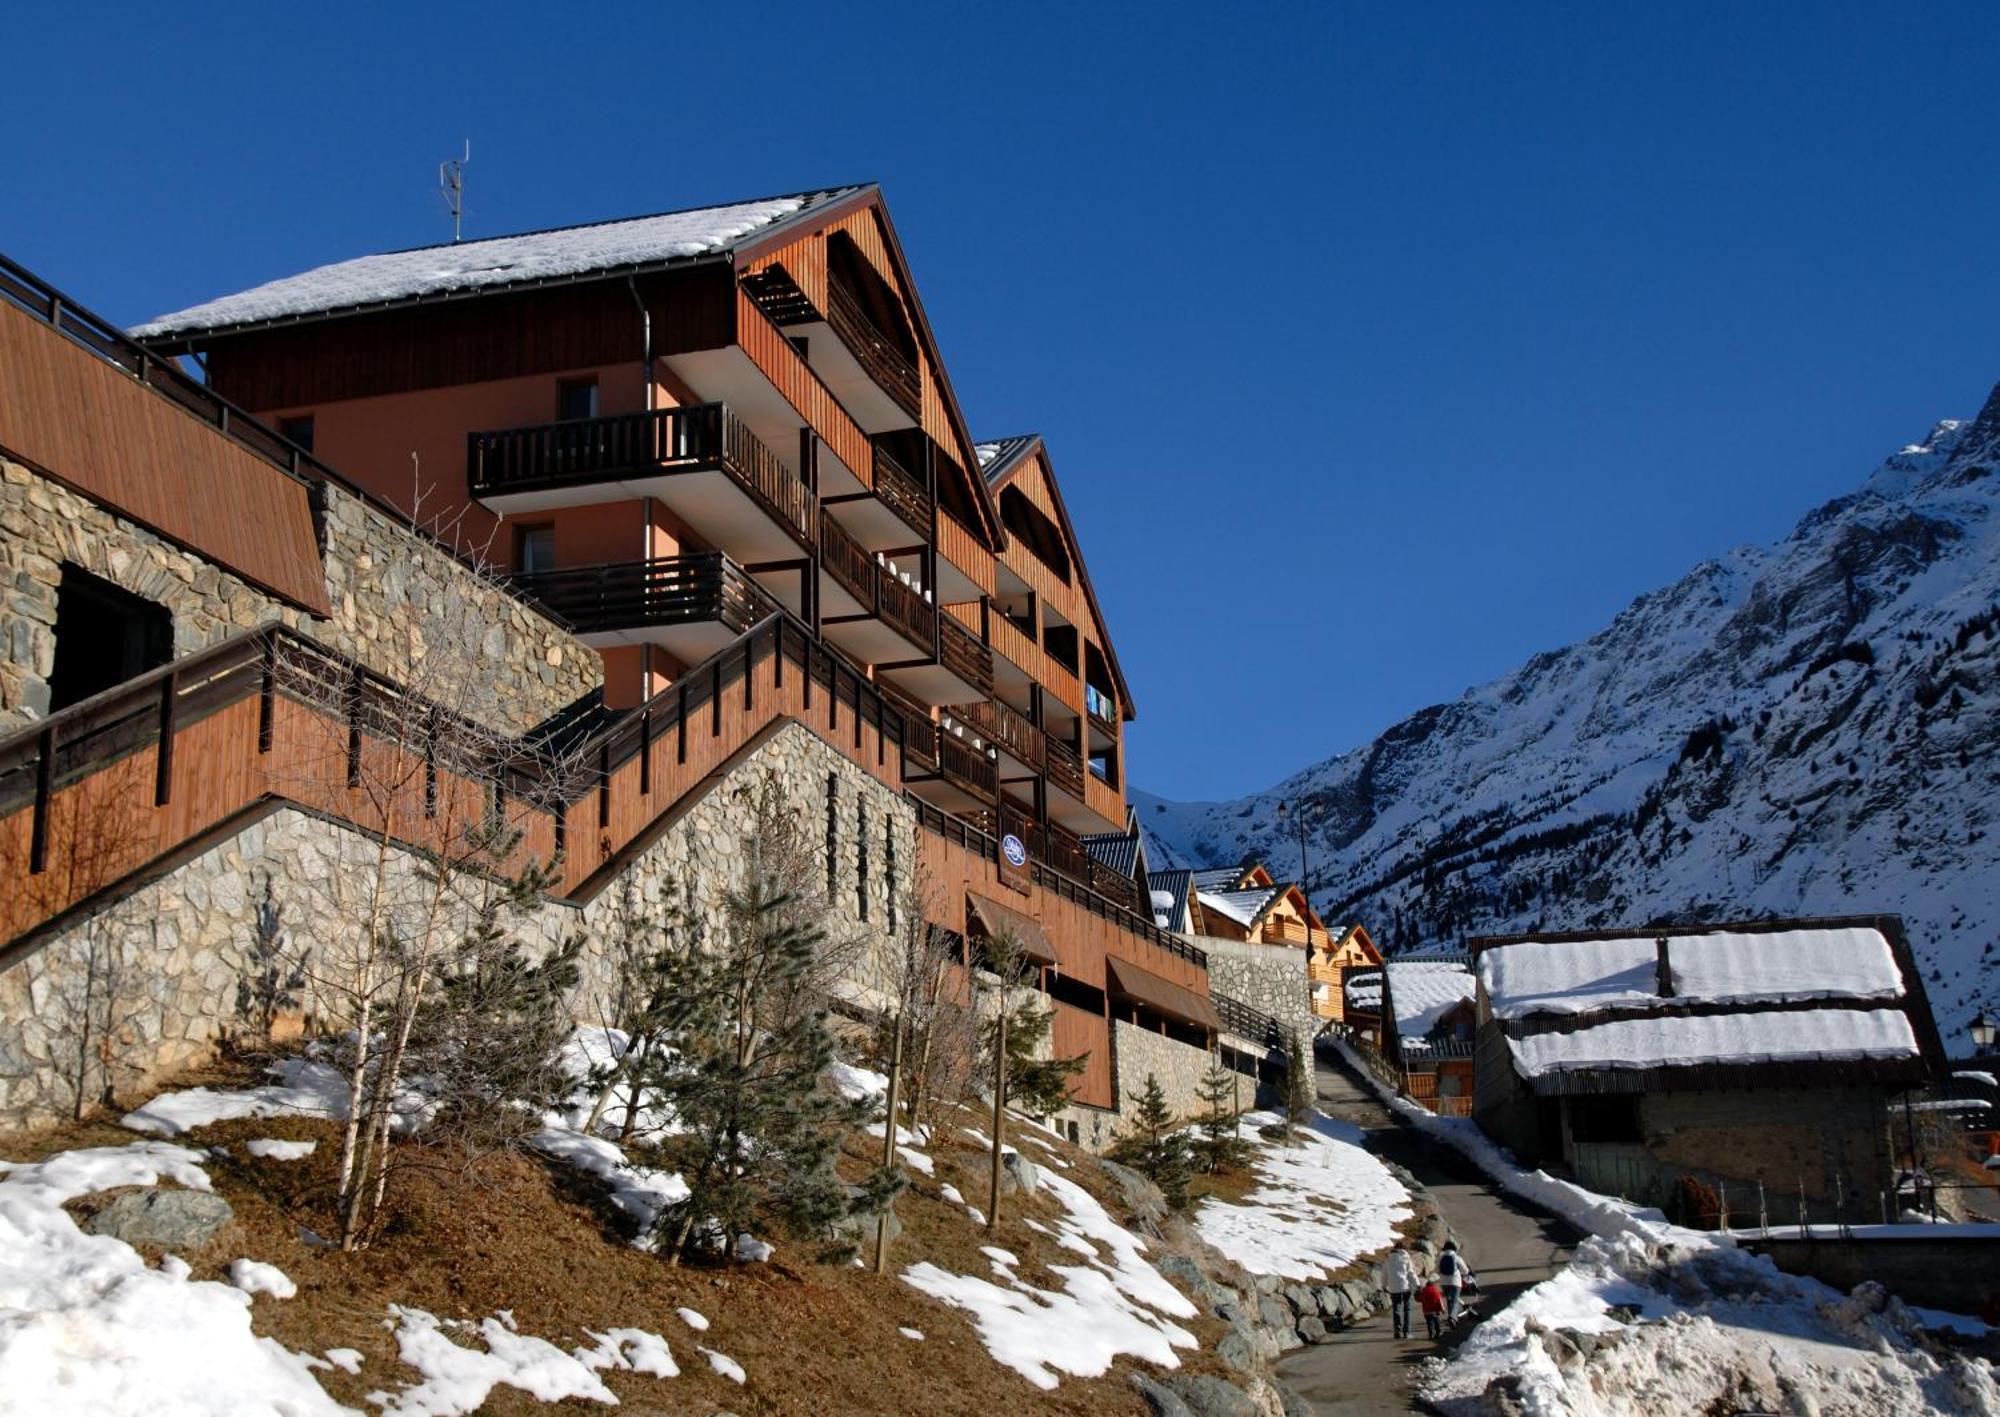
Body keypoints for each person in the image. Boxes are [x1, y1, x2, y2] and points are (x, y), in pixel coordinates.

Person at [1381, 1242, 1419, 1339]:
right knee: (1407, 1309)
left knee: (1396, 1309)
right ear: (1403, 1249)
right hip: (1405, 1287)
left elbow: (1384, 1274)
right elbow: (1411, 1273)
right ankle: (1407, 1332)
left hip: (1393, 1288)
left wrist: (1384, 1286)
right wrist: (1417, 1284)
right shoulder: (1406, 1258)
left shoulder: (1388, 1260)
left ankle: (1397, 1330)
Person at [1437, 1238, 1469, 1322]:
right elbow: (1465, 1270)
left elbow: (1437, 1270)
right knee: (1455, 1300)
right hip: (1455, 1282)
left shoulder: (1440, 1257)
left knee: (1449, 1299)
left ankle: (1451, 1317)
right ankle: (1452, 1317)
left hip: (1444, 1282)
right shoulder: (1456, 1257)